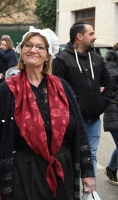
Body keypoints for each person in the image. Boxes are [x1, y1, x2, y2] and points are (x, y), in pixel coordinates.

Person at [0, 26, 95, 200]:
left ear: (48, 55)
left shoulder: (62, 87)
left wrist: (87, 172)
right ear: (21, 51)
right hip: (23, 171)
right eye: (28, 45)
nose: (33, 50)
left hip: (62, 170)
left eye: (39, 47)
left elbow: (79, 132)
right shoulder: (7, 90)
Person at [52, 21, 112, 179]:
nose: (95, 37)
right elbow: (58, 90)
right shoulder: (61, 59)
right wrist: (74, 109)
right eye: (91, 34)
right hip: (72, 121)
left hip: (94, 121)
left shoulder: (97, 58)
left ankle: (90, 193)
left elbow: (109, 83)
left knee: (91, 156)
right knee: (71, 157)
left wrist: (102, 104)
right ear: (79, 36)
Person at [103, 49, 118, 185]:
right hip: (114, 112)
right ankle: (111, 168)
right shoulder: (113, 69)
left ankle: (111, 168)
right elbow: (107, 91)